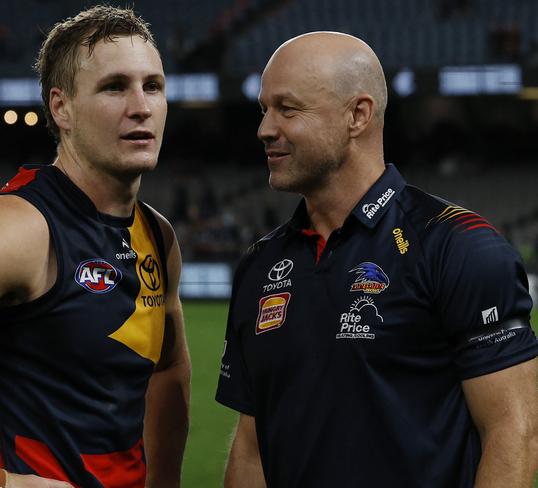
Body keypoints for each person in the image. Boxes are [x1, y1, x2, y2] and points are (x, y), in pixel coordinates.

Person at [216, 31, 538, 488]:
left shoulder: (459, 247)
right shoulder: (259, 266)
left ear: (358, 115)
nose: (265, 129)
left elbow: (513, 433)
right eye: (264, 110)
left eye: (287, 109)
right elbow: (252, 447)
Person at [0, 5, 190, 488]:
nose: (141, 105)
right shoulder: (21, 225)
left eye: (152, 85)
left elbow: (170, 367)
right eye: (115, 87)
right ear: (61, 108)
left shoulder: (158, 235)